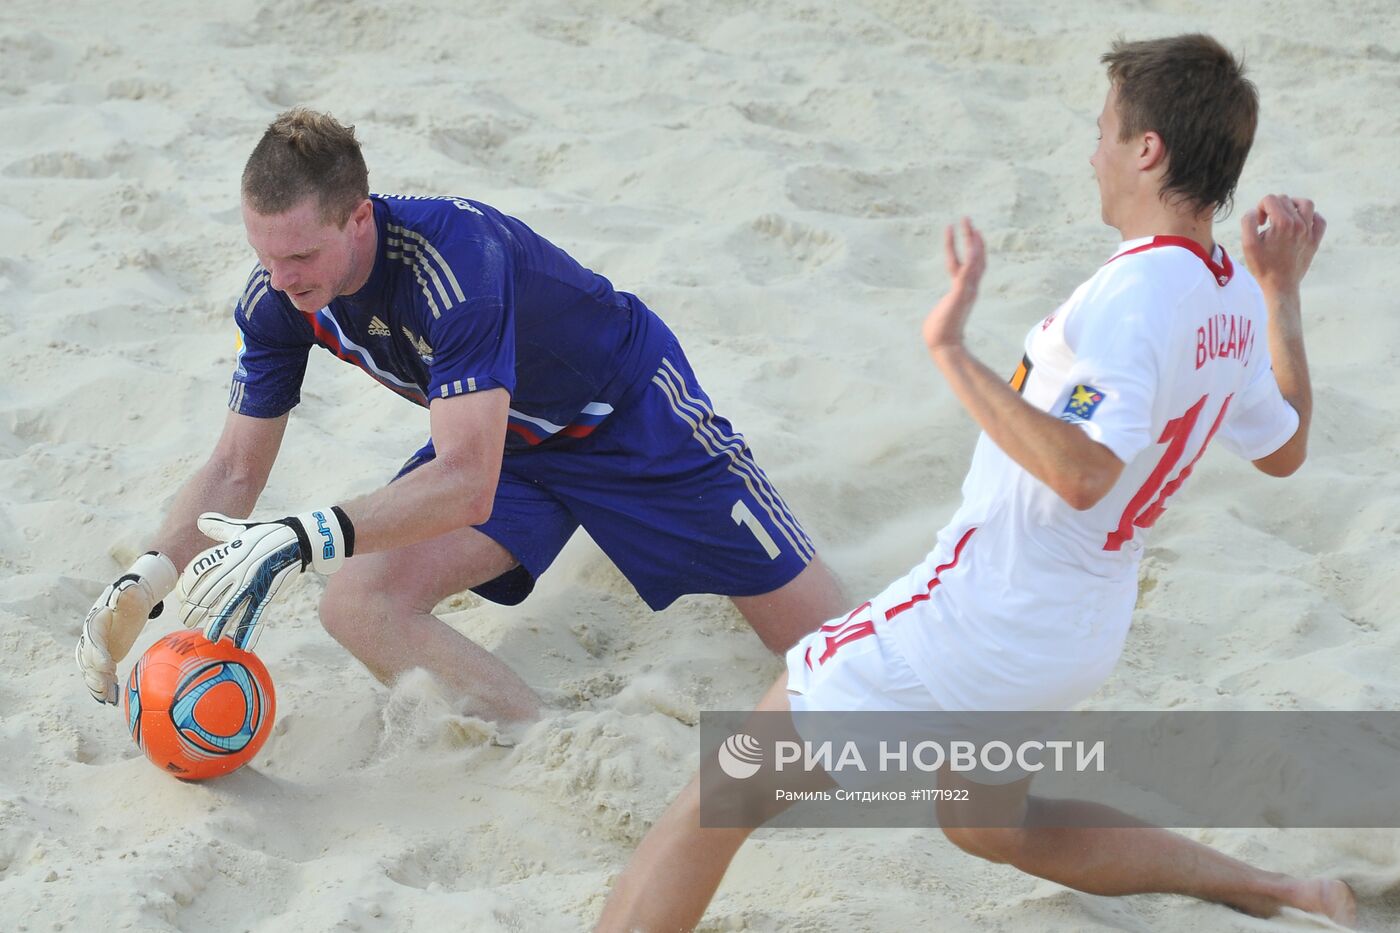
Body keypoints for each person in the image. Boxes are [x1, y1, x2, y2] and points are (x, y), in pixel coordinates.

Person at [595, 34, 1355, 930]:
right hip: (1076, 625)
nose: (1092, 151)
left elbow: (1080, 472)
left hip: (987, 613)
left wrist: (954, 355)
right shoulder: (1230, 292)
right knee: (993, 822)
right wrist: (1282, 293)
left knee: (720, 793)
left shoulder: (1134, 297)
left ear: (1148, 150)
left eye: (1105, 130)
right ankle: (1288, 893)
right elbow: (1286, 448)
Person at [75, 109, 846, 724]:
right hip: (508, 443)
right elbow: (235, 466)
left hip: (629, 420)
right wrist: (145, 581)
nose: (280, 280)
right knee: (357, 604)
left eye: (300, 257)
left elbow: (467, 482)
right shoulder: (280, 296)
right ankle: (550, 741)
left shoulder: (454, 264)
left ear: (358, 220)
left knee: (844, 667)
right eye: (264, 256)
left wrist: (301, 535)